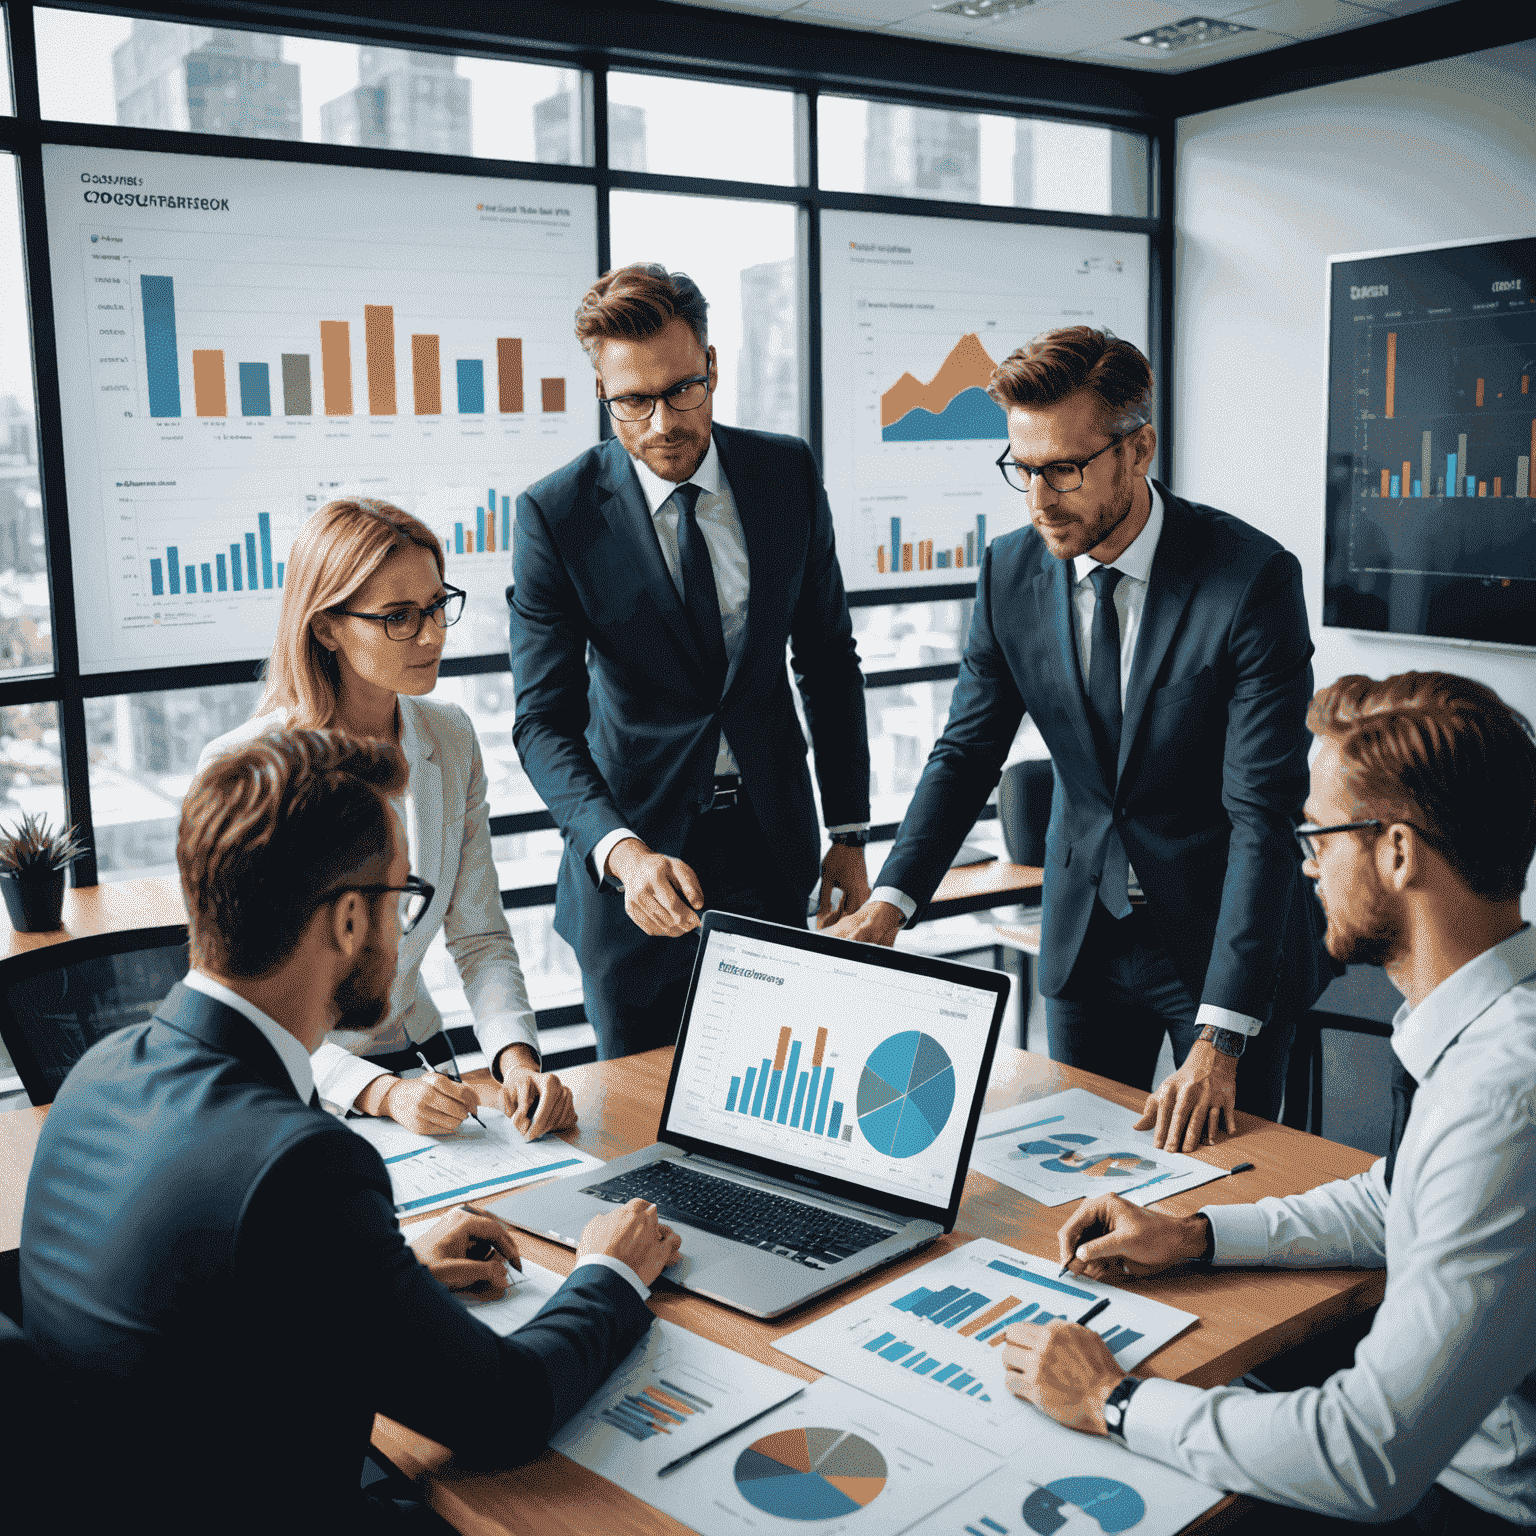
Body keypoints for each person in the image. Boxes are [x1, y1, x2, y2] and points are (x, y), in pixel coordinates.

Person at [20, 728, 682, 1536]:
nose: (403, 931)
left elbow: (218, 1308)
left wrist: (388, 1279)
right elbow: (504, 1408)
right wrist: (609, 1272)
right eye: (400, 899)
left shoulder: (97, 1074)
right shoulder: (302, 1165)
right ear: (345, 922)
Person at [1002, 671, 1536, 1533]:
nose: (1307, 862)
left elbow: (1369, 1456)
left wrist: (1113, 1400)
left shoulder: (1502, 1102)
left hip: (1472, 1503)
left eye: (1320, 835)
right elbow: (1397, 1197)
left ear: (1398, 851)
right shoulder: (1499, 1023)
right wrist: (1199, 1234)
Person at [830, 326, 1330, 1149]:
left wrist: (1224, 1033)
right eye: (1020, 469)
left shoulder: (1249, 581)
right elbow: (965, 753)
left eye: (1063, 468)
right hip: (1082, 939)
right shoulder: (1010, 571)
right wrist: (892, 902)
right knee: (1081, 1171)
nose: (1037, 500)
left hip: (1220, 944)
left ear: (1138, 451)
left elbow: (1262, 814)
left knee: (1219, 1197)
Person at [511, 263, 872, 1059]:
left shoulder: (786, 474)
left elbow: (828, 658)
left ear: (714, 369)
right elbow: (542, 723)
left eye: (683, 390)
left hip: (771, 849)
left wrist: (848, 828)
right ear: (602, 393)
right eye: (632, 402)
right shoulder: (556, 514)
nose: (662, 423)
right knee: (641, 1126)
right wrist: (621, 853)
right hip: (635, 869)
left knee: (780, 1094)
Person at [201, 498, 573, 1139]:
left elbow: (479, 935)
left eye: (435, 606)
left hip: (416, 1064)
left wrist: (517, 1061)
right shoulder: (248, 770)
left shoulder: (450, 736)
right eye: (398, 618)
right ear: (326, 628)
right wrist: (380, 1094)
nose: (432, 635)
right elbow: (244, 1001)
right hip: (283, 1083)